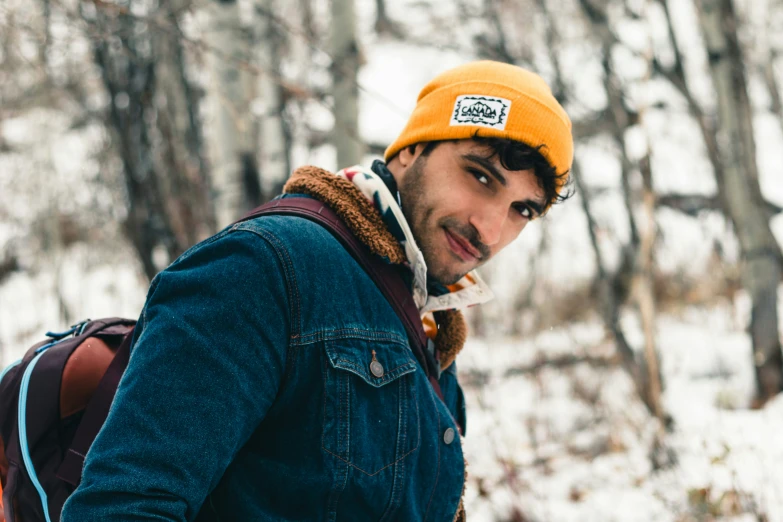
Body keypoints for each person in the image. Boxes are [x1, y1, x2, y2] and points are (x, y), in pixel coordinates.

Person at [61, 60, 573, 521]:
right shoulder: (264, 267)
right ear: (413, 147)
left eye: (521, 210)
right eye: (480, 175)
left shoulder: (428, 313)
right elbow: (122, 507)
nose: (489, 228)